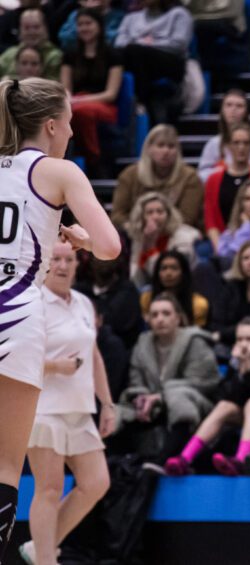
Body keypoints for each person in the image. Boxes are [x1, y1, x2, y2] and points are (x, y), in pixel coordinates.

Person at [0, 76, 120, 561]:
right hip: (18, 314)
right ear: (50, 125)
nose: (71, 131)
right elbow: (110, 246)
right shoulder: (60, 171)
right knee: (7, 464)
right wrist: (82, 239)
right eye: (70, 122)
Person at [18, 242, 116, 565]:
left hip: (80, 407)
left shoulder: (85, 303)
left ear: (76, 264)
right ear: (46, 262)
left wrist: (108, 403)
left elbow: (94, 355)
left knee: (97, 482)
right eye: (56, 259)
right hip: (44, 407)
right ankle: (47, 560)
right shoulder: (33, 302)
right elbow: (16, 355)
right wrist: (55, 366)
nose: (62, 265)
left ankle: (40, 548)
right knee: (49, 488)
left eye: (68, 259)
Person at [164, 315, 250, 476]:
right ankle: (185, 459)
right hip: (247, 414)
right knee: (224, 406)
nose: (244, 344)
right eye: (240, 339)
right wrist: (243, 368)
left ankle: (241, 459)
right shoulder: (236, 361)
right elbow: (229, 397)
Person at [114, 294, 218, 463]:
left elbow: (204, 382)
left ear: (178, 318)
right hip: (152, 407)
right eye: (154, 315)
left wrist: (161, 396)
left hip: (196, 406)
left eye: (166, 313)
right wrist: (141, 397)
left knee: (177, 396)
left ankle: (169, 458)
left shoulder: (195, 342)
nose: (160, 319)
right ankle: (112, 464)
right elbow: (136, 381)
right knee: (114, 412)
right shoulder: (142, 345)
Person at [60, 8, 123, 175]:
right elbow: (66, 89)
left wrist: (78, 101)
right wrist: (70, 101)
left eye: (88, 23)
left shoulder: (113, 55)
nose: (84, 28)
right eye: (80, 24)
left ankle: (94, 160)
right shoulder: (70, 55)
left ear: (99, 26)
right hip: (76, 102)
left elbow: (111, 94)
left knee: (81, 112)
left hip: (103, 105)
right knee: (60, 113)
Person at [110, 124, 204, 229]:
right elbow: (117, 215)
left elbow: (188, 218)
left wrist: (158, 228)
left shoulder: (190, 177)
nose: (166, 151)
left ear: (178, 150)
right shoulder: (129, 175)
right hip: (135, 231)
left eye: (171, 146)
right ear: (149, 148)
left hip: (175, 231)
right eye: (160, 145)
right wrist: (140, 227)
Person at [114, 0, 193, 125]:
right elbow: (119, 43)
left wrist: (148, 44)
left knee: (136, 51)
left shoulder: (179, 14)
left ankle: (141, 101)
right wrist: (143, 44)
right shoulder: (131, 18)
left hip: (169, 61)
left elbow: (179, 44)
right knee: (125, 54)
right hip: (138, 59)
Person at [204, 123, 250, 248]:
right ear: (227, 145)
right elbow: (210, 221)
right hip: (223, 241)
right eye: (236, 143)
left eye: (246, 143)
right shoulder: (213, 179)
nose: (241, 147)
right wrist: (220, 248)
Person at [126, 192, 200, 287]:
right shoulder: (140, 236)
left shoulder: (183, 237)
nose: (155, 217)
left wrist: (150, 245)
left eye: (160, 212)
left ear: (168, 215)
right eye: (149, 213)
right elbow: (135, 276)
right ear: (141, 217)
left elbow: (167, 276)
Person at [197, 90, 250, 182]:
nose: (233, 109)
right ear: (222, 110)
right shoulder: (214, 143)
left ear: (246, 111)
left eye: (239, 106)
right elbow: (202, 174)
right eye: (229, 105)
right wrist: (222, 172)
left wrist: (228, 169)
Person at [139, 250, 210, 328]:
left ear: (183, 273)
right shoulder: (146, 299)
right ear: (157, 273)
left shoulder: (199, 304)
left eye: (174, 268)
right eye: (163, 268)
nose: (168, 273)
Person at [0, 10, 62, 80]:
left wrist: (11, 80)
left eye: (36, 27)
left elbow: (54, 86)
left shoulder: (55, 56)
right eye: (27, 28)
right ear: (20, 30)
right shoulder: (9, 55)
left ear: (45, 28)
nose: (31, 32)